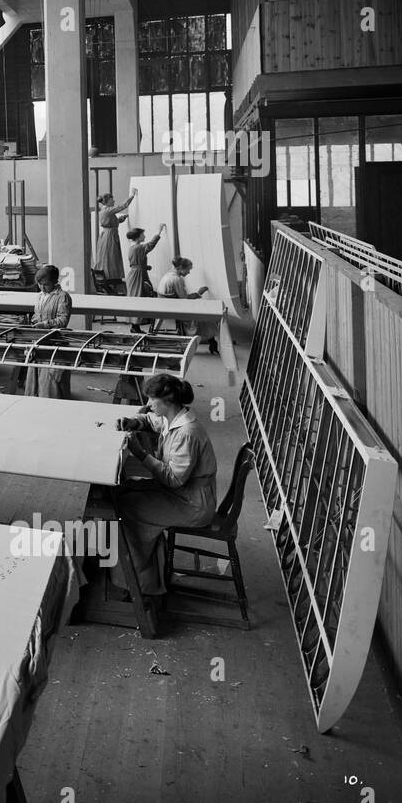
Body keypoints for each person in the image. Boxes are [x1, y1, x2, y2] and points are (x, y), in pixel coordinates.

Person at [112, 374, 219, 604]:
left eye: (152, 400)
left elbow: (172, 479)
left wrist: (141, 453)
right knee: (123, 491)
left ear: (167, 401)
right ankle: (148, 572)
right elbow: (152, 421)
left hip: (192, 504)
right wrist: (134, 422)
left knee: (126, 509)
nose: (149, 405)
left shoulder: (187, 433)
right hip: (183, 494)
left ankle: (140, 585)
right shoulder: (174, 418)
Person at [22, 264, 72, 398]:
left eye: (46, 284)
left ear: (55, 282)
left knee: (50, 383)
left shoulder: (63, 297)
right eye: (39, 284)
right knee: (34, 380)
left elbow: (62, 320)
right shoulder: (39, 296)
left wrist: (45, 324)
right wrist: (34, 322)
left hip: (54, 343)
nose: (42, 288)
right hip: (38, 341)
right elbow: (36, 314)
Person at [159, 258, 219, 355]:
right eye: (188, 270)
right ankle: (211, 341)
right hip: (174, 309)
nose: (189, 272)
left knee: (202, 313)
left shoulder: (168, 275)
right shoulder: (177, 279)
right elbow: (185, 300)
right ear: (181, 268)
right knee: (205, 317)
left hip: (167, 306)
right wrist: (199, 293)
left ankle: (211, 341)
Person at [125, 223, 166, 332]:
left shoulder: (133, 247)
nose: (144, 236)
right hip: (138, 276)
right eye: (143, 235)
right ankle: (135, 326)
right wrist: (159, 231)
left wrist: (145, 266)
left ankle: (135, 326)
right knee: (138, 298)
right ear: (138, 237)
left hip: (136, 274)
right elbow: (151, 245)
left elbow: (135, 262)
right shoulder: (138, 248)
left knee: (137, 298)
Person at [94, 190, 136, 283]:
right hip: (110, 236)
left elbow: (111, 222)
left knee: (109, 256)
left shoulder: (105, 210)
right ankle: (111, 277)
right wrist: (131, 196)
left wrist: (121, 219)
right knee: (111, 256)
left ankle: (110, 276)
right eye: (112, 200)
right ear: (108, 200)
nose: (114, 201)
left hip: (107, 235)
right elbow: (122, 206)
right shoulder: (107, 210)